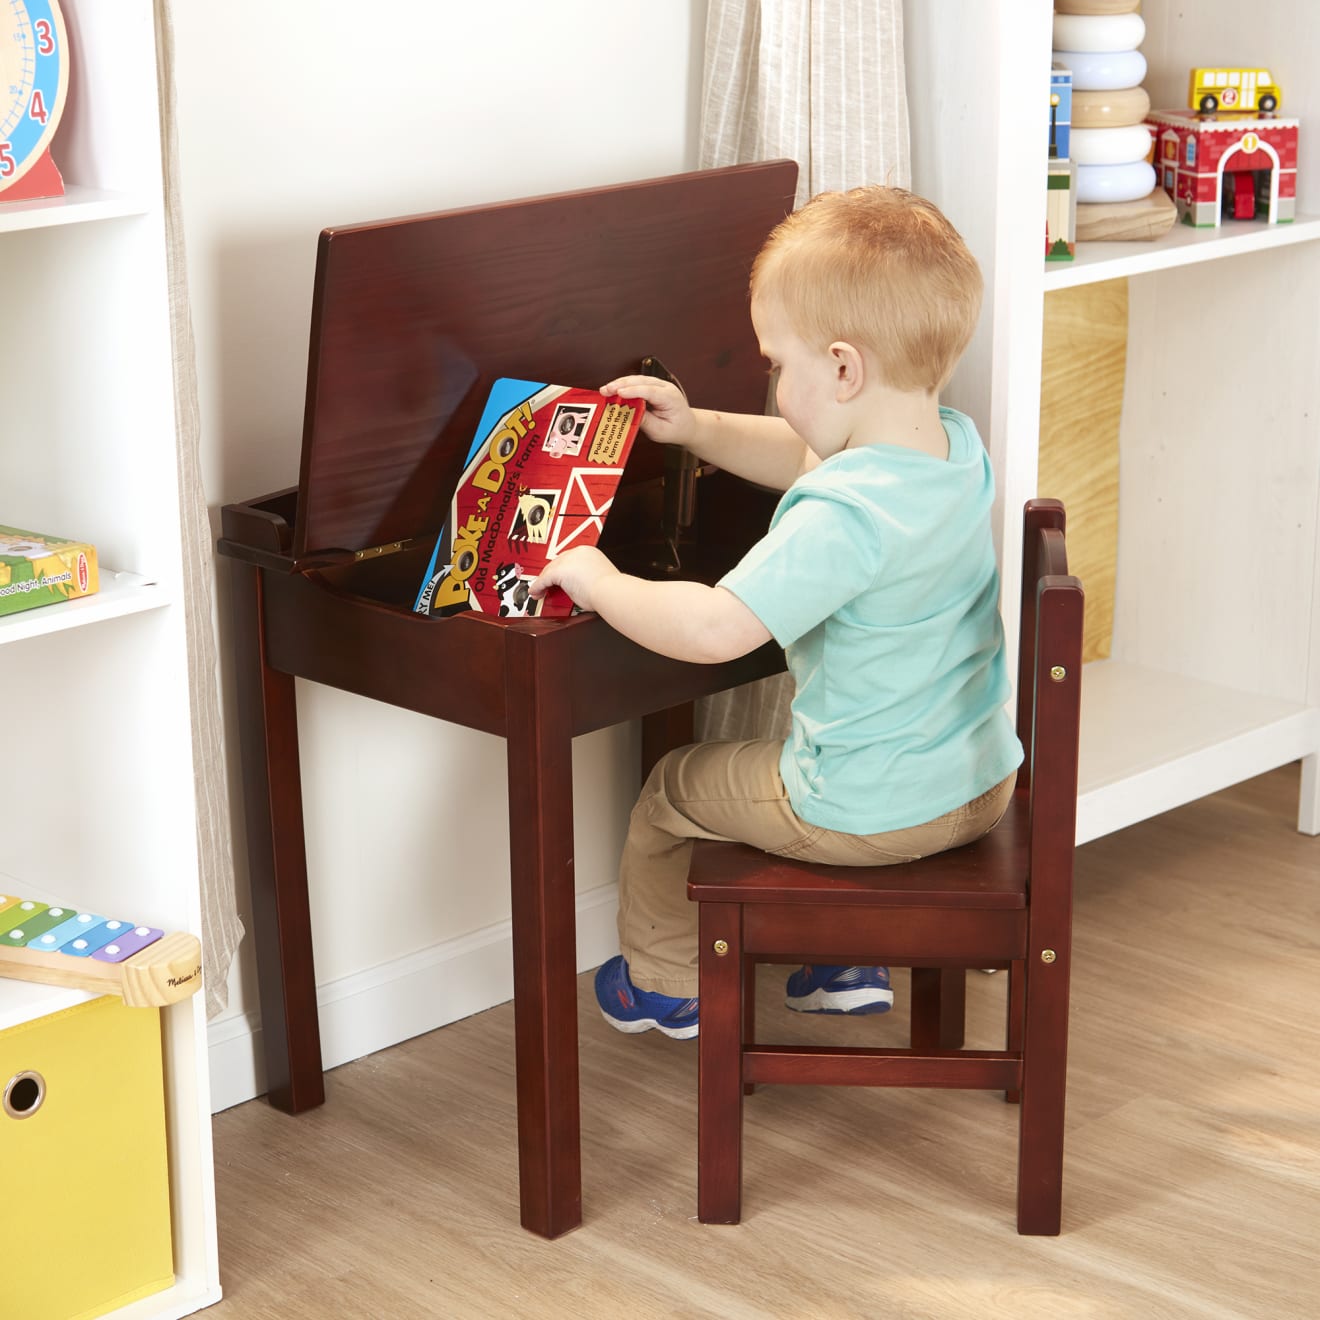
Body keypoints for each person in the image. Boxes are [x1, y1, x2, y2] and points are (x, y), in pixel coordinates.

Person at [529, 186, 1022, 1040]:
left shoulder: (843, 515)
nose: (771, 380)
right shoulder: (949, 447)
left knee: (675, 788)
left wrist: (599, 578)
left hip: (869, 811)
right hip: (978, 783)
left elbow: (718, 630)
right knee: (778, 766)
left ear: (841, 368)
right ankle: (840, 956)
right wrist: (694, 427)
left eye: (775, 366)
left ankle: (663, 982)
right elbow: (803, 451)